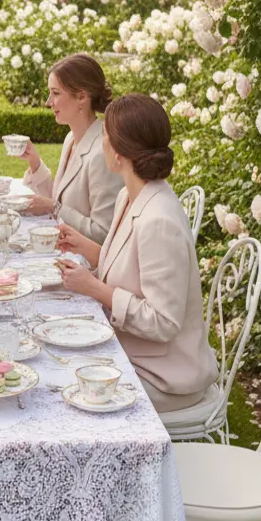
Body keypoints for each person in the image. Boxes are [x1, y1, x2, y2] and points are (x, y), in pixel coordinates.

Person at [56, 93, 218, 415]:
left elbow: (164, 322)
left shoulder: (159, 220)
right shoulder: (131, 196)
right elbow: (132, 265)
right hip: (135, 355)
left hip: (165, 376)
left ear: (117, 153)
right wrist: (83, 246)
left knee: (61, 388)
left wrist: (94, 288)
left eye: (104, 136)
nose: (100, 142)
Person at [20, 53, 121, 244]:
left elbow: (104, 234)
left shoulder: (102, 153)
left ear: (82, 96)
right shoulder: (71, 139)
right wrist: (34, 163)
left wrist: (55, 208)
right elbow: (61, 200)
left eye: (56, 93)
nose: (49, 102)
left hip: (88, 265)